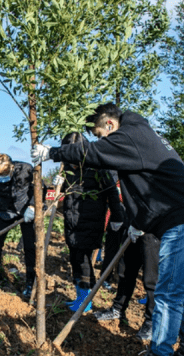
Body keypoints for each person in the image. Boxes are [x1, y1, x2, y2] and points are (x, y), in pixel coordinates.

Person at [31, 103, 184, 356]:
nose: (99, 139)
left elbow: (93, 153)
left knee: (167, 293)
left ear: (109, 124)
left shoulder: (130, 135)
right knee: (176, 289)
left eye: (97, 134)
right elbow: (149, 189)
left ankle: (160, 352)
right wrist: (138, 224)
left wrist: (52, 152)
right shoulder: (140, 135)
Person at [58, 132, 124, 312]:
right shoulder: (67, 167)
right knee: (74, 258)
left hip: (90, 220)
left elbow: (112, 191)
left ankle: (86, 301)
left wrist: (118, 217)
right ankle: (80, 296)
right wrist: (59, 185)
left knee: (83, 260)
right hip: (71, 221)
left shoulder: (97, 166)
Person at [0, 153, 39, 298]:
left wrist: (32, 207)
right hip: (5, 211)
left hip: (26, 210)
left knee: (30, 247)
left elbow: (39, 188)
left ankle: (30, 284)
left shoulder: (25, 170)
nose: (2, 180)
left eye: (5, 176)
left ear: (12, 168)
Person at [94, 231, 160, 341]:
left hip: (153, 231)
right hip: (133, 228)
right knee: (125, 272)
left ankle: (151, 321)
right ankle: (118, 309)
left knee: (151, 279)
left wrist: (142, 221)